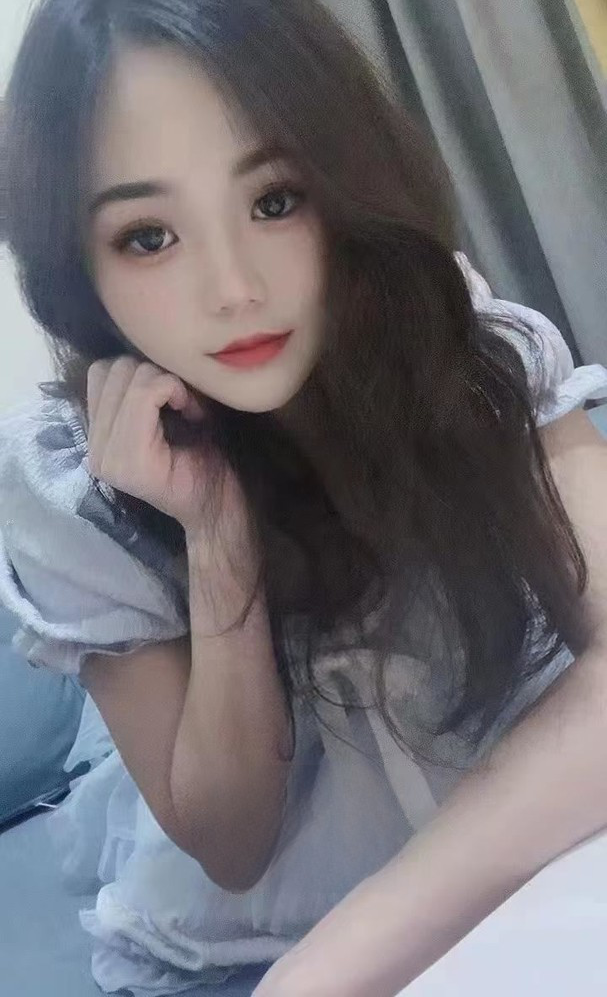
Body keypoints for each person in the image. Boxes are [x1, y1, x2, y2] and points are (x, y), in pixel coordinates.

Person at [1, 1, 607, 995]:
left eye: (275, 199)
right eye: (148, 236)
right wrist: (216, 536)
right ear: (78, 267)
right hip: (256, 938)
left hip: (529, 839)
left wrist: (328, 968)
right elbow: (232, 847)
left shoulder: (452, 338)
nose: (233, 288)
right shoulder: (73, 482)